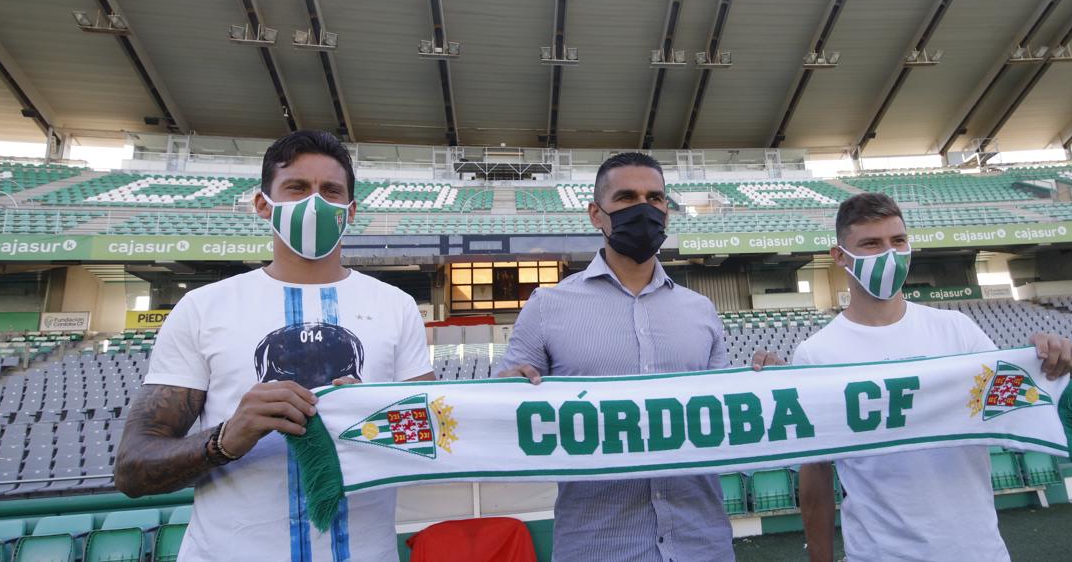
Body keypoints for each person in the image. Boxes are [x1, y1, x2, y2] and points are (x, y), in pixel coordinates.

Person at [115, 130, 434, 562]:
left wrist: (370, 418)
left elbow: (434, 441)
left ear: (350, 211)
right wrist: (228, 438)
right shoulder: (203, 308)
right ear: (264, 205)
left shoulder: (396, 306)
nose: (315, 202)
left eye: (331, 191)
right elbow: (133, 468)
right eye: (297, 188)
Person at [496, 152, 781, 562]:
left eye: (655, 198)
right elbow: (506, 406)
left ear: (667, 211)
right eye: (627, 197)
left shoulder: (700, 310)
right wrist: (507, 390)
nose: (644, 208)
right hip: (597, 546)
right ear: (596, 214)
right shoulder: (546, 306)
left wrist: (767, 388)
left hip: (701, 543)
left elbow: (721, 418)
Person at [794, 193, 1072, 562]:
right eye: (871, 244)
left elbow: (1013, 401)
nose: (889, 254)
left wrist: (1052, 361)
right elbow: (815, 475)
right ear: (839, 256)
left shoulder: (957, 330)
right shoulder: (817, 353)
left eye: (898, 241)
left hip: (980, 551)